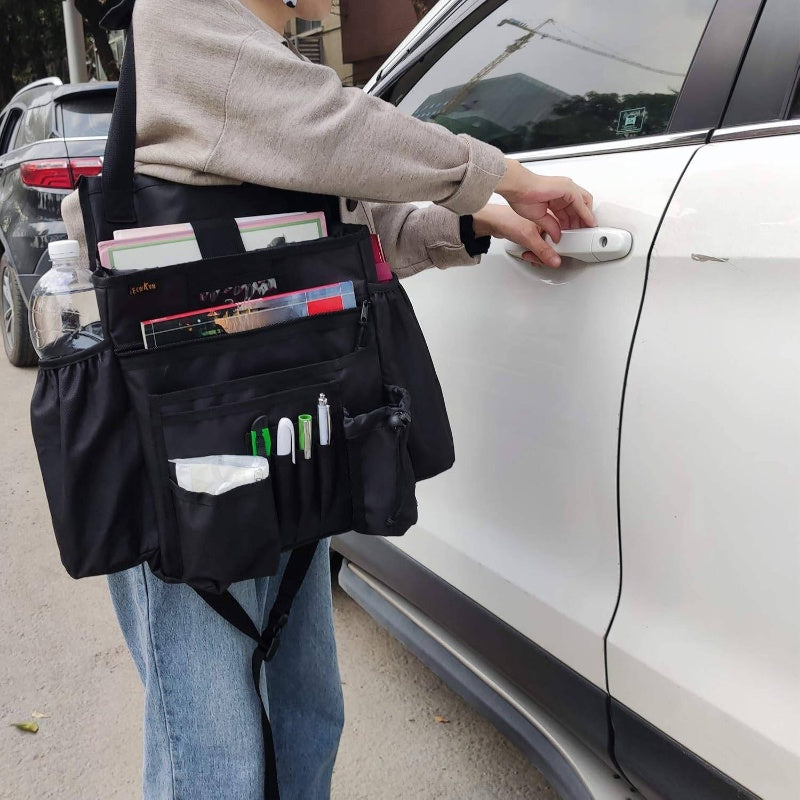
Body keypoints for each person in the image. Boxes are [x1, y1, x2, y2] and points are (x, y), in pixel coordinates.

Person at [60, 0, 595, 797]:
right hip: (183, 454)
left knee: (313, 710)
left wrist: (477, 226)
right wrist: (506, 179)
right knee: (213, 759)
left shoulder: (266, 59)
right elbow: (336, 129)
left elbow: (360, 233)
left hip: (287, 439)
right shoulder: (180, 14)